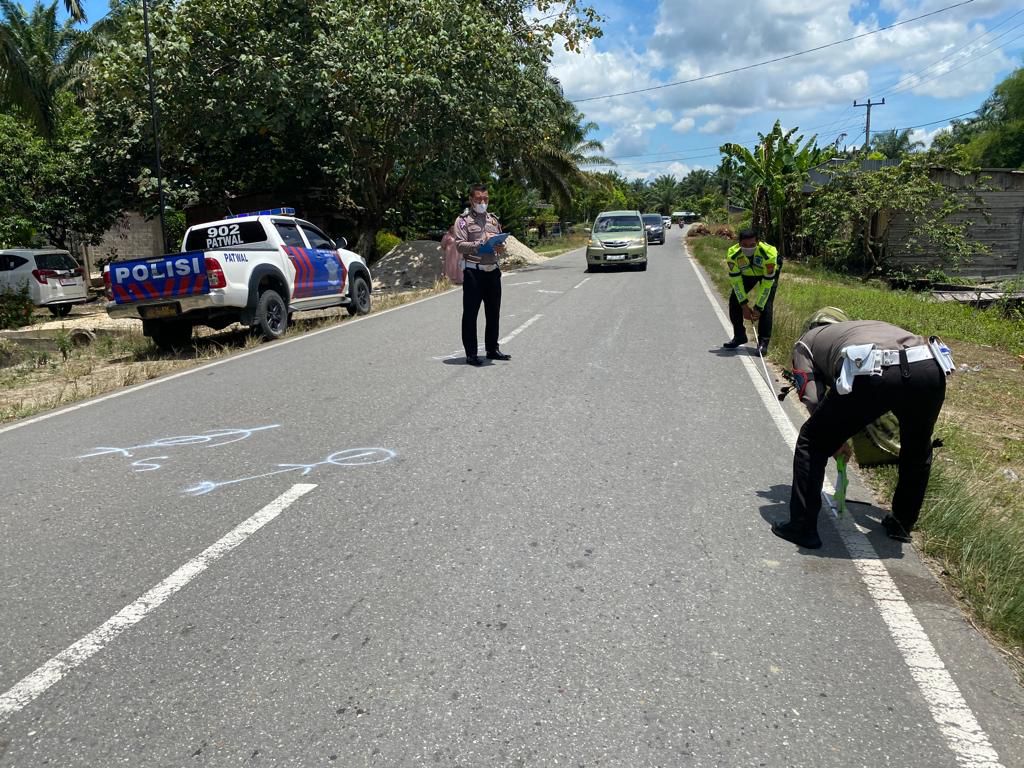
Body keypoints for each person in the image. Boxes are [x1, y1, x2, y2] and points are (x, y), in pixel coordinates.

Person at [772, 319, 954, 549]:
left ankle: (802, 527)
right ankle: (901, 523)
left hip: (877, 370)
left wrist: (834, 438)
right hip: (929, 365)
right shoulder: (861, 327)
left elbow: (812, 398)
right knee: (917, 447)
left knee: (812, 441)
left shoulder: (805, 343)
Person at [452, 184, 511, 366]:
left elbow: (500, 243)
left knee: (493, 313)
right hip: (473, 272)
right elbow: (460, 245)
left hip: (492, 271)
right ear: (471, 200)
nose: (482, 202)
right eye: (478, 199)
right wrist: (478, 244)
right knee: (471, 314)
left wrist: (501, 247)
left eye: (485, 199)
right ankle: (471, 354)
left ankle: (492, 349)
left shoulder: (493, 220)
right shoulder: (463, 221)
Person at [722, 229, 780, 354]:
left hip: (766, 275)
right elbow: (736, 282)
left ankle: (763, 342)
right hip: (747, 273)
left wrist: (758, 307)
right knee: (734, 300)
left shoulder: (769, 255)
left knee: (766, 304)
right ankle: (739, 336)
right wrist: (744, 306)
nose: (748, 248)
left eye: (752, 245)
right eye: (745, 245)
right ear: (739, 244)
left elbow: (766, 285)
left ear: (758, 243)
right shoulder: (733, 255)